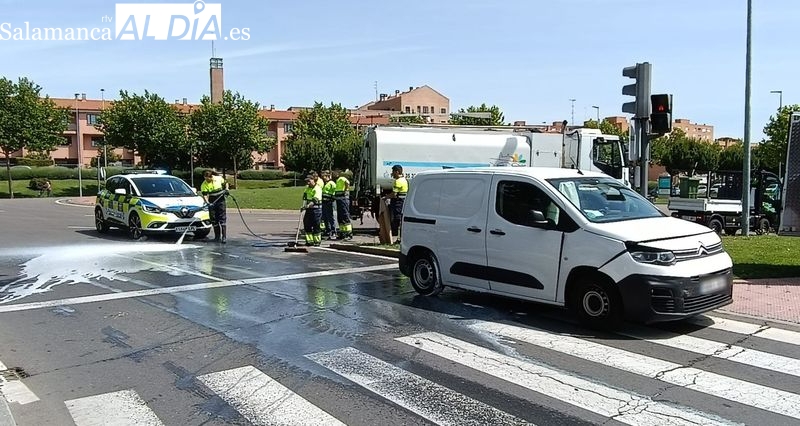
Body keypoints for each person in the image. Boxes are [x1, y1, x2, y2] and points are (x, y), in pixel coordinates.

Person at [201, 169, 229, 243]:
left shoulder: (218, 179)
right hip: (212, 200)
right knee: (213, 219)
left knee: (222, 218)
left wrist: (226, 189)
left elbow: (226, 183)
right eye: (205, 179)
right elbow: (205, 195)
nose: (207, 180)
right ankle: (217, 237)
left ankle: (224, 237)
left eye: (208, 179)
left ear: (211, 177)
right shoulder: (204, 184)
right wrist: (208, 203)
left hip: (220, 199)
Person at [388, 164, 408, 243]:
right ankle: (401, 238)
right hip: (403, 201)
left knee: (397, 219)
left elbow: (394, 194)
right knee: (401, 219)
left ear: (397, 172)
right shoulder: (404, 180)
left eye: (393, 172)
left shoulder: (398, 181)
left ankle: (399, 238)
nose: (392, 173)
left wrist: (385, 197)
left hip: (398, 202)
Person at [302, 175, 323, 246]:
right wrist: (303, 206)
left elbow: (315, 200)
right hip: (309, 210)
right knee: (307, 224)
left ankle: (317, 241)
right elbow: (305, 199)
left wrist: (307, 206)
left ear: (313, 180)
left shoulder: (317, 189)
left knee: (316, 225)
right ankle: (309, 241)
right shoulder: (307, 189)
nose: (308, 182)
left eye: (309, 181)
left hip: (316, 210)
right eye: (307, 181)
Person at [333, 170, 352, 240]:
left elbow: (347, 183)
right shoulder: (338, 180)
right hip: (339, 199)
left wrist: (345, 190)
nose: (333, 174)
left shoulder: (342, 178)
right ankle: (342, 233)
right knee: (340, 217)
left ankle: (348, 233)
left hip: (343, 199)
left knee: (344, 215)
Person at [320, 170, 338, 240]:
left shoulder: (331, 183)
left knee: (330, 217)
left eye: (324, 176)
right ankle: (328, 230)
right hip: (324, 202)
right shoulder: (325, 183)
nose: (323, 178)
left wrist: (332, 198)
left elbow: (335, 191)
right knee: (325, 217)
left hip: (329, 202)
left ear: (327, 176)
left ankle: (333, 231)